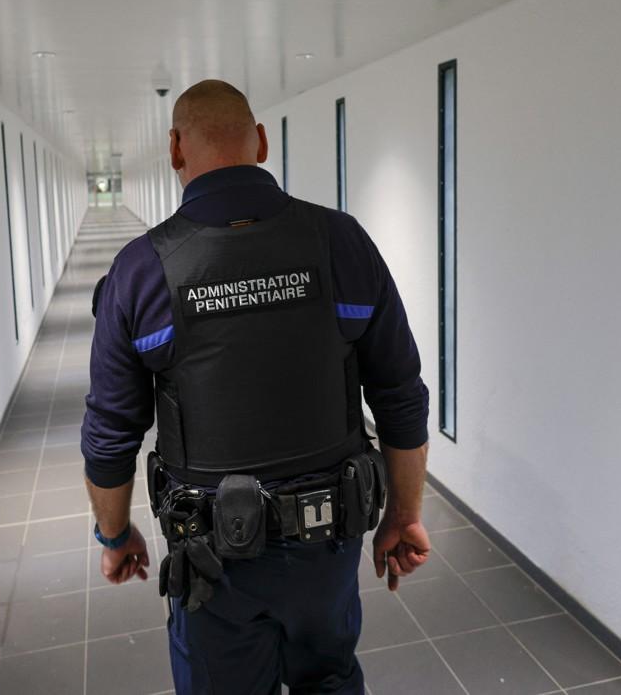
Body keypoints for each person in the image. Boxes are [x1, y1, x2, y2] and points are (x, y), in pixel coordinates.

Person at [82, 79, 431, 694]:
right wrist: (404, 515)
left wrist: (115, 536)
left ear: (174, 149)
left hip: (213, 563)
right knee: (330, 678)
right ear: (262, 143)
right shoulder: (340, 241)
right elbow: (400, 395)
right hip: (328, 548)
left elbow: (111, 434)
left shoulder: (141, 271)